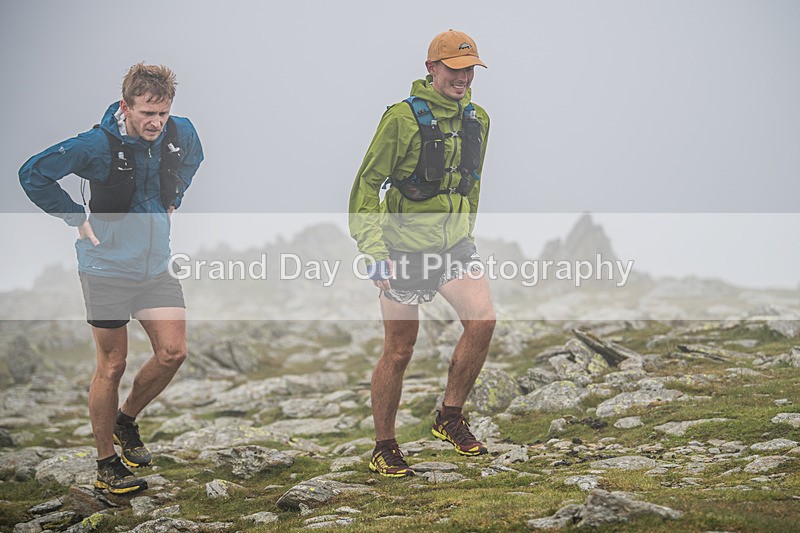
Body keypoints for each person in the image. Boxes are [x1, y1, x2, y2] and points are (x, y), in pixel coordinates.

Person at [19, 63, 203, 494]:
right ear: (127, 106)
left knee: (173, 352)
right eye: (146, 113)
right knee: (112, 364)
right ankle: (106, 464)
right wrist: (74, 219)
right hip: (106, 270)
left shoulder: (181, 132)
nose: (156, 122)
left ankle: (126, 419)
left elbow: (193, 160)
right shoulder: (94, 145)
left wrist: (174, 196)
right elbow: (33, 172)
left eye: (163, 112)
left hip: (155, 266)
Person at [349, 30, 496, 477]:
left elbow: (471, 182)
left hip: (454, 247)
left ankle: (450, 416)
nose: (463, 77)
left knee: (483, 320)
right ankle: (384, 446)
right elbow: (367, 185)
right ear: (432, 68)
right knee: (399, 350)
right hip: (402, 249)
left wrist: (466, 232)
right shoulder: (401, 119)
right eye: (454, 68)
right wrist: (375, 251)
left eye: (469, 68)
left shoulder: (479, 119)